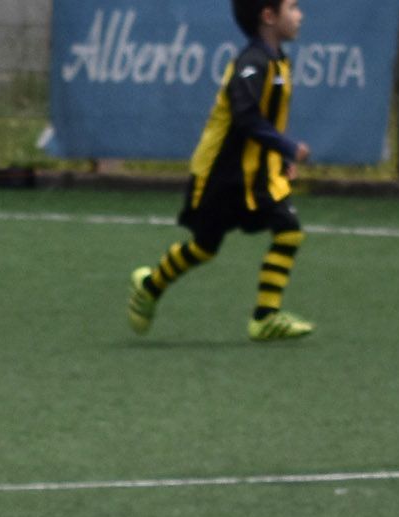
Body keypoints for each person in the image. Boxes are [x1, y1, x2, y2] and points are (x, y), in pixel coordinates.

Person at [129, 0, 314, 343]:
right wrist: (287, 147)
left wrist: (281, 158)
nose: (300, 14)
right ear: (269, 16)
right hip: (221, 174)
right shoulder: (252, 63)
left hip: (256, 174)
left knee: (289, 230)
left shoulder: (278, 61)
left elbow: (268, 119)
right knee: (204, 246)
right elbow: (246, 119)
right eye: (292, 7)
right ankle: (150, 286)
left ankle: (265, 317)